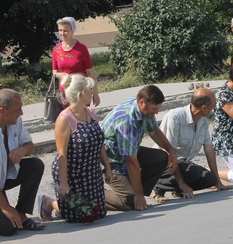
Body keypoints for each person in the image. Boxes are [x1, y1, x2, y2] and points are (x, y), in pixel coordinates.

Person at [101, 85, 192, 211]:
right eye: (154, 109)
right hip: (111, 162)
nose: (156, 112)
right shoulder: (127, 122)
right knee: (128, 202)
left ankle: (136, 192)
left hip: (128, 153)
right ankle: (94, 196)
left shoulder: (143, 109)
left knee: (161, 157)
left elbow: (154, 131)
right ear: (142, 102)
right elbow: (131, 162)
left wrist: (171, 150)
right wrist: (137, 195)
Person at [39, 74, 112, 223]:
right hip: (73, 174)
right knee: (78, 216)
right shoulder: (64, 119)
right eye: (89, 90)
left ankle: (60, 205)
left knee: (98, 213)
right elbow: (62, 154)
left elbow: (100, 143)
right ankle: (49, 202)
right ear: (80, 94)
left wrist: (107, 168)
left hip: (91, 172)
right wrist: (64, 182)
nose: (92, 92)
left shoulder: (91, 113)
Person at [152, 88, 229, 202]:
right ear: (204, 107)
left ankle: (177, 190)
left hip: (183, 164)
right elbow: (169, 153)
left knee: (210, 179)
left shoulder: (203, 120)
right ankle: (156, 185)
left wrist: (218, 181)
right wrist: (182, 183)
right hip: (164, 164)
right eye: (213, 105)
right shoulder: (174, 117)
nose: (214, 108)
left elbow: (208, 148)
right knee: (194, 173)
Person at [0, 89, 45, 235]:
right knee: (9, 228)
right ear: (2, 111)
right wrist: (6, 207)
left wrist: (22, 150)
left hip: (4, 176)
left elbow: (30, 145)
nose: (21, 113)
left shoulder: (15, 121)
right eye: (17, 109)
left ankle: (21, 214)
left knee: (35, 165)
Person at [52, 17, 100, 107]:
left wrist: (95, 94)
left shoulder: (81, 49)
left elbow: (90, 73)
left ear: (73, 30)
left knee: (82, 117)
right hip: (65, 91)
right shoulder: (56, 50)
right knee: (68, 118)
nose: (62, 33)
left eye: (65, 30)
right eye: (60, 30)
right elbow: (54, 72)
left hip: (81, 90)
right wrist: (63, 75)